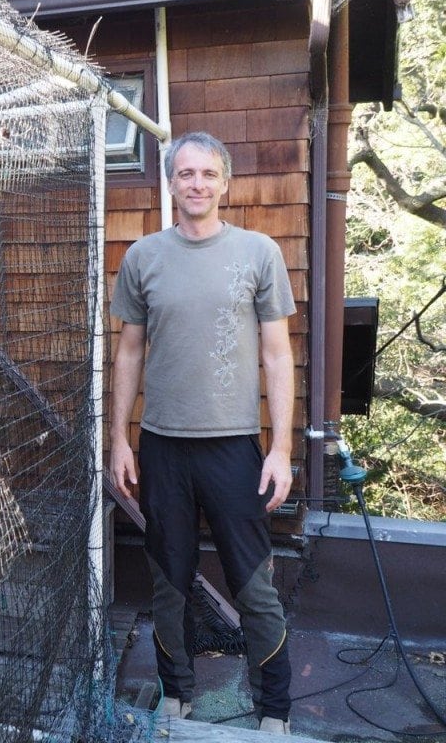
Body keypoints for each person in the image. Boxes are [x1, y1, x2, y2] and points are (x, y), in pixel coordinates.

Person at [109, 131, 295, 734]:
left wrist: (283, 448)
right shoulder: (143, 257)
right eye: (185, 174)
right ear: (171, 182)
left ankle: (276, 712)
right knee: (168, 582)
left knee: (254, 586)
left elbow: (277, 355)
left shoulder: (259, 252)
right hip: (162, 447)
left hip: (233, 446)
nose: (197, 184)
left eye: (208, 174)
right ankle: (175, 695)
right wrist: (118, 439)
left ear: (225, 181)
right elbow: (129, 351)